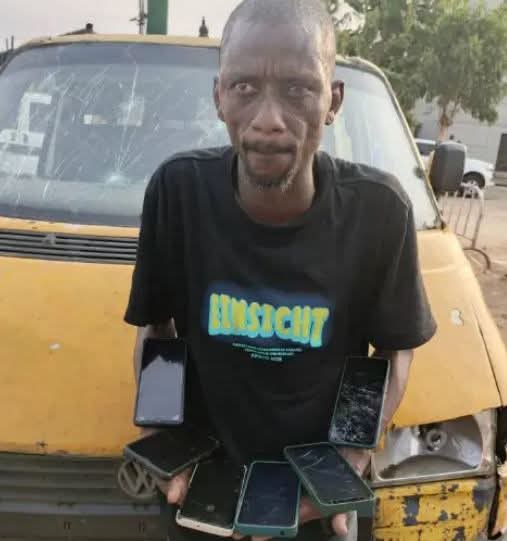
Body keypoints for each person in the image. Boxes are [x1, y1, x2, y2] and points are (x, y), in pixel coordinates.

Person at [124, 0, 437, 539]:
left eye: (298, 89)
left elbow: (392, 351)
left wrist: (348, 460)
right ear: (219, 96)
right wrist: (162, 443)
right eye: (244, 87)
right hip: (202, 492)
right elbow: (159, 329)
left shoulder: (380, 212)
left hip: (316, 502)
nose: (268, 119)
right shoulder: (178, 193)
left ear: (333, 100)